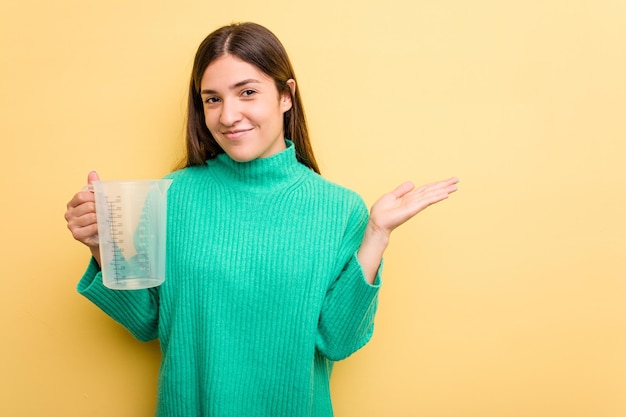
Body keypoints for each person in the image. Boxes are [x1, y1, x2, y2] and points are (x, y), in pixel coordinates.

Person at [65, 22, 458, 417]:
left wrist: (376, 234)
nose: (228, 115)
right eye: (212, 99)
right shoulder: (170, 195)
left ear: (286, 96)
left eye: (247, 93)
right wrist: (102, 246)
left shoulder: (340, 209)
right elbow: (147, 321)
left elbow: (337, 341)